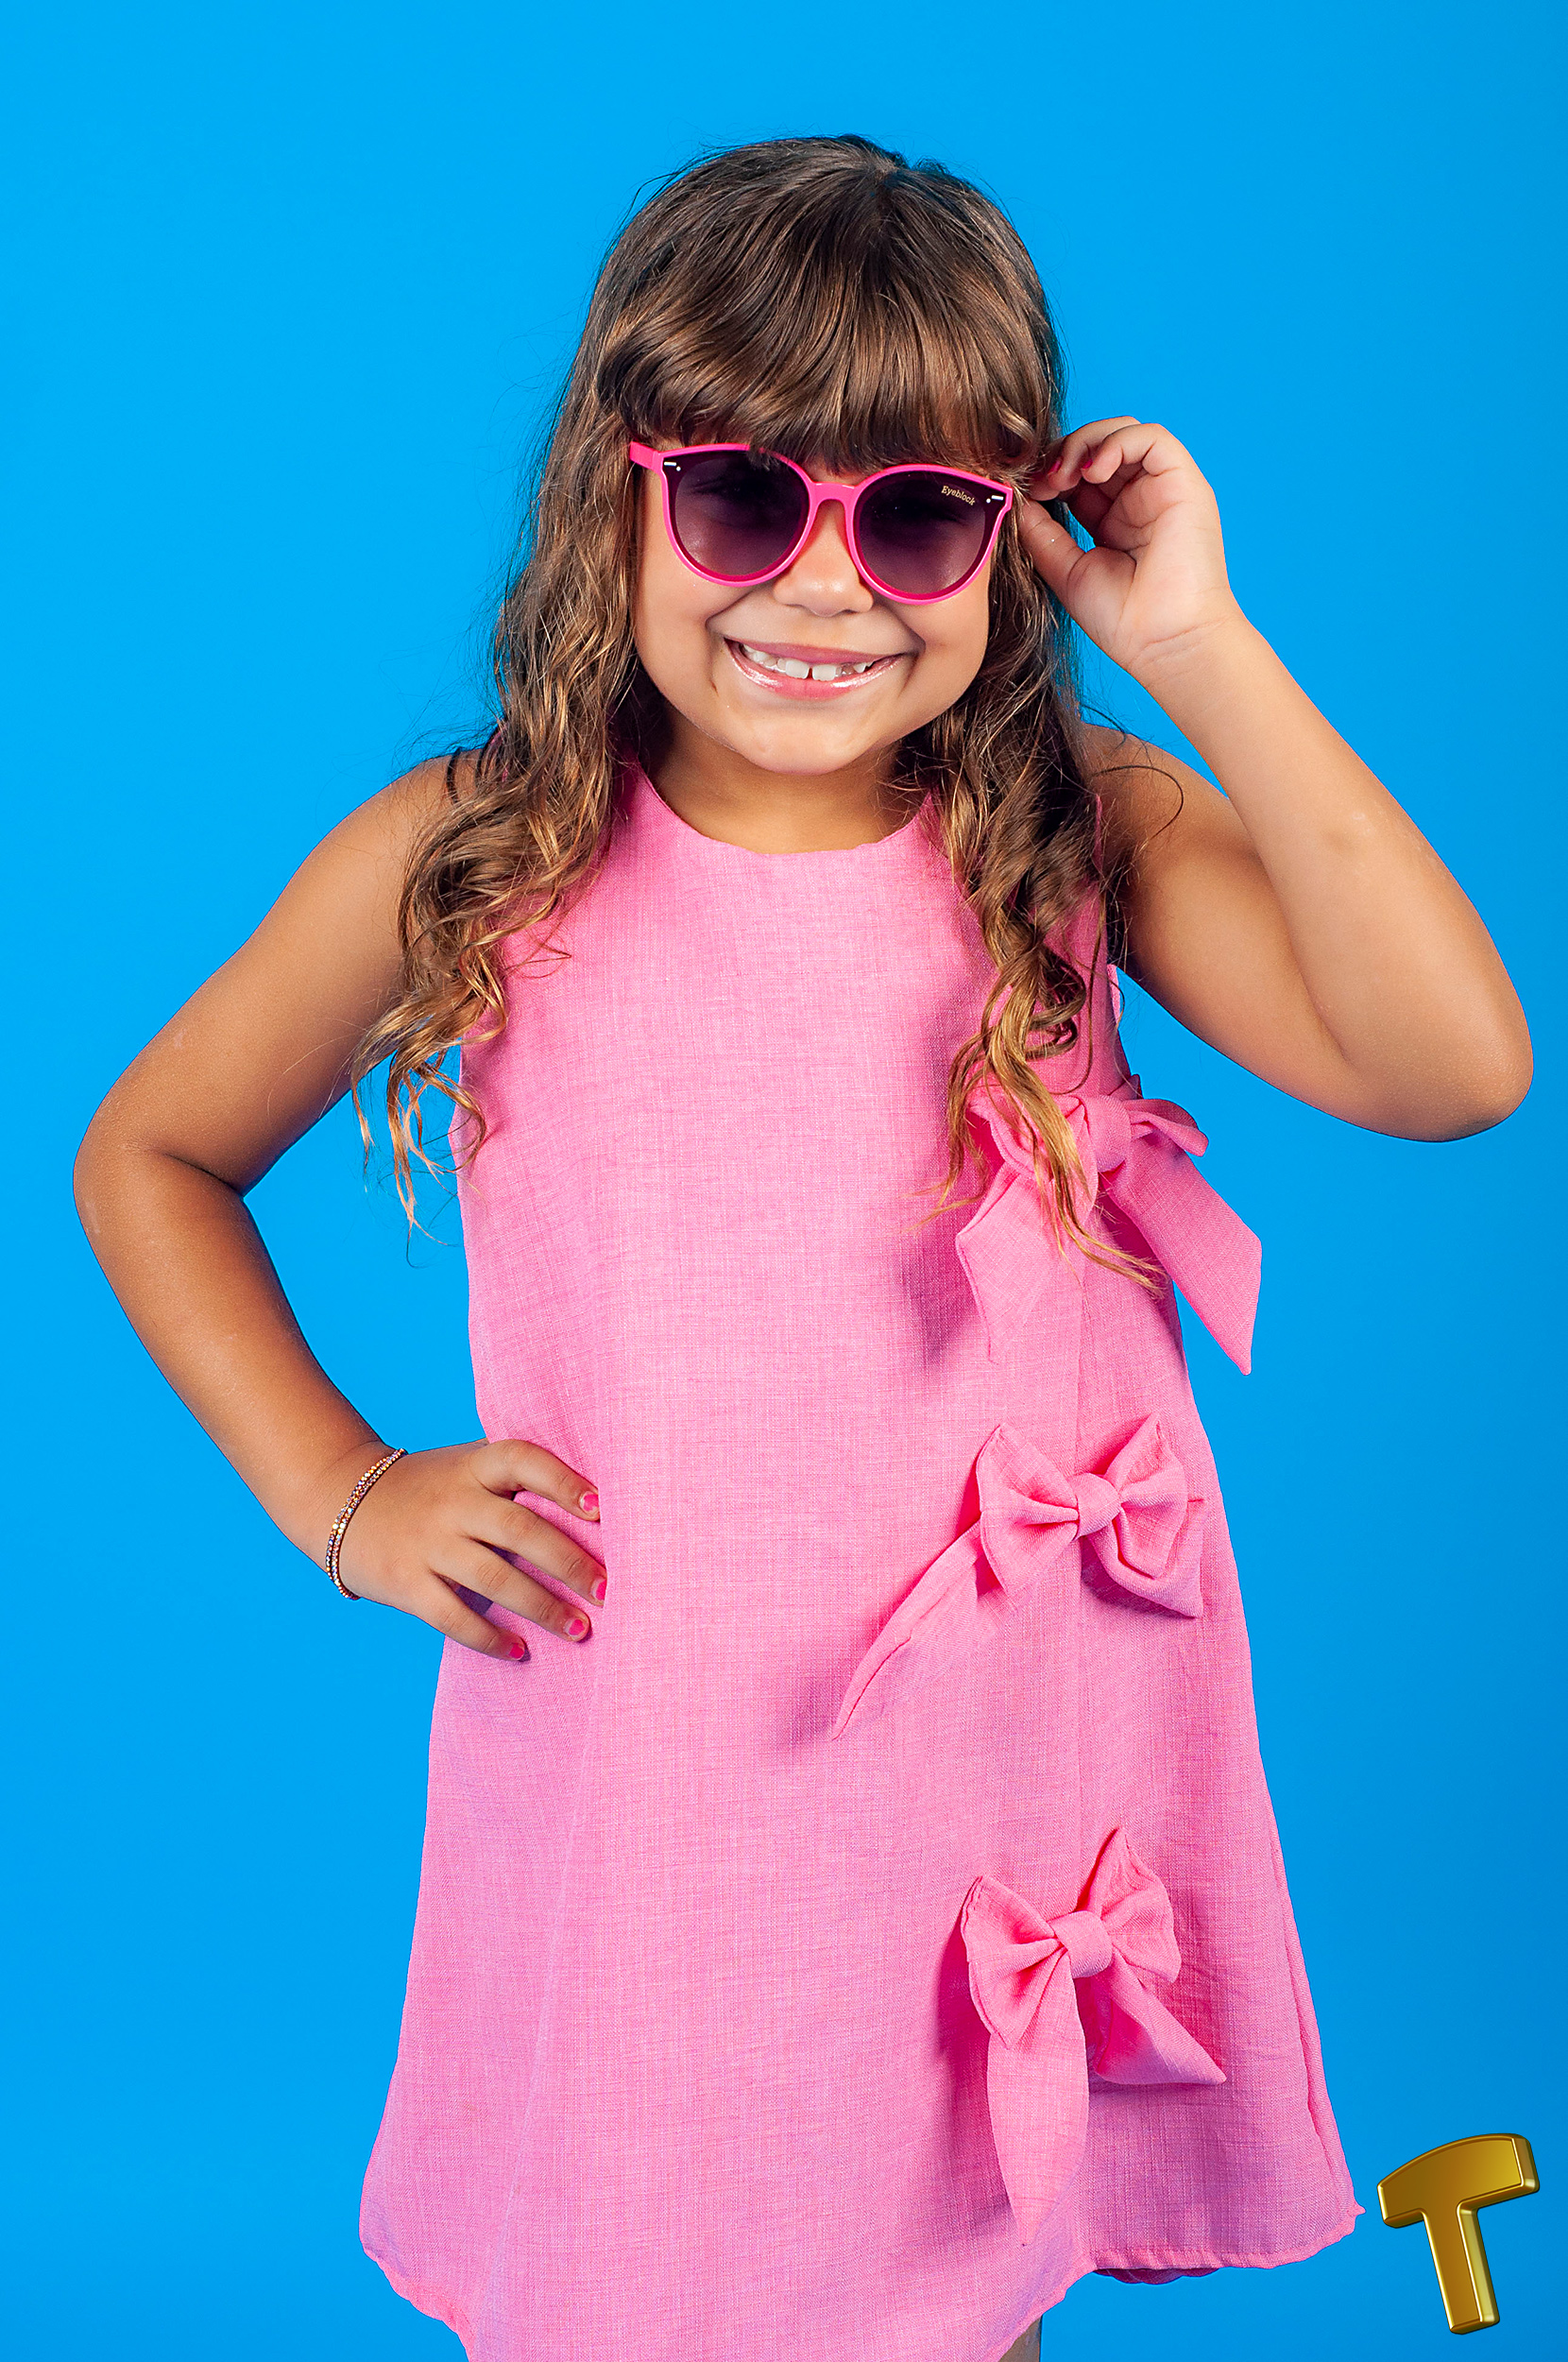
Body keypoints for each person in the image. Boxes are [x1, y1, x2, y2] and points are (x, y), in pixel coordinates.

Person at [73, 133, 1531, 2362]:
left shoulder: (1078, 830)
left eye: (918, 515)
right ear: (617, 499)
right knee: (651, 2264)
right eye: (744, 500)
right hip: (664, 1779)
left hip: (1001, 1770)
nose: (825, 589)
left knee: (954, 2270)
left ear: (1009, 537)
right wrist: (342, 1491)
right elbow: (152, 1152)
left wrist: (1196, 646)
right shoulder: (476, 854)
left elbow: (1452, 1064)